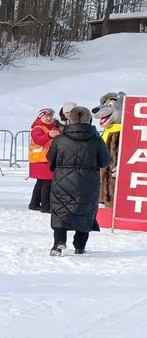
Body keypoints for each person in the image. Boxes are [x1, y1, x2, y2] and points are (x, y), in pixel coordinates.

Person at [47, 106, 112, 256]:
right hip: (88, 183)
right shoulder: (96, 140)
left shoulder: (60, 139)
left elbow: (50, 158)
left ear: (70, 120)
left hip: (62, 181)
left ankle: (59, 243)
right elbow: (105, 161)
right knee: (85, 212)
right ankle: (80, 246)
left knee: (60, 211)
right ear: (88, 120)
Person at [29, 107, 61, 213]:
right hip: (41, 160)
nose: (49, 118)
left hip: (44, 159)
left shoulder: (52, 127)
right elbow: (38, 140)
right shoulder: (37, 128)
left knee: (41, 183)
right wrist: (49, 135)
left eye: (50, 116)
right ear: (40, 117)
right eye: (46, 116)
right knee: (47, 183)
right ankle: (46, 206)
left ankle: (34, 204)